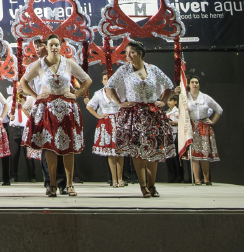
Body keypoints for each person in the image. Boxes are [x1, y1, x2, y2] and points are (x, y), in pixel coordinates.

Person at [18, 36, 91, 197]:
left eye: (56, 45)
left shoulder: (69, 63)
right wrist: (35, 95)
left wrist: (76, 94)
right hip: (47, 109)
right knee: (49, 147)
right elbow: (23, 82)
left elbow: (87, 80)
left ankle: (70, 184)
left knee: (68, 148)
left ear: (60, 46)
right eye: (51, 45)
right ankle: (51, 184)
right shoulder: (39, 64)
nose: (54, 47)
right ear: (47, 46)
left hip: (67, 109)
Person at [106, 41, 174, 198]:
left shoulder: (153, 69)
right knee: (138, 151)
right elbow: (110, 86)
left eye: (132, 53)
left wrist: (163, 101)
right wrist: (120, 103)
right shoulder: (124, 70)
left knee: (154, 150)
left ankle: (152, 184)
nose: (128, 56)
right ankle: (143, 186)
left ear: (140, 53)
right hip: (134, 114)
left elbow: (169, 85)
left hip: (152, 113)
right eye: (126, 53)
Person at [180, 76, 223, 185]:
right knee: (194, 153)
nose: (195, 84)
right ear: (189, 84)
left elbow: (219, 110)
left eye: (197, 82)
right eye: (192, 82)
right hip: (191, 126)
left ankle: (207, 178)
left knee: (205, 153)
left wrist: (212, 121)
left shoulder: (205, 97)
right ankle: (197, 180)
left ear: (199, 84)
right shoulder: (185, 97)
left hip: (203, 126)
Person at [86, 73, 124, 187]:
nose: (107, 80)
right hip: (106, 123)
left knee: (120, 152)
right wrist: (98, 116)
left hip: (119, 122)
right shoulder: (98, 93)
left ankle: (120, 178)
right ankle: (114, 179)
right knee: (110, 153)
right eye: (105, 79)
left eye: (109, 78)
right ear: (102, 81)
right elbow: (89, 106)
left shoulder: (120, 92)